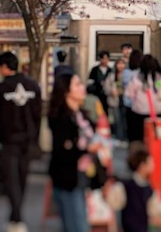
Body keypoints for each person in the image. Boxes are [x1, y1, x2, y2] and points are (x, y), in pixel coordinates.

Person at [0, 51, 42, 232]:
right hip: (28, 140)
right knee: (22, 178)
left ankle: (17, 218)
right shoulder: (33, 86)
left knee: (11, 180)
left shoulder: (1, 89)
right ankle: (15, 217)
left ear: (4, 67)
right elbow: (38, 114)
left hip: (9, 140)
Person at [48, 73, 100, 232]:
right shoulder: (61, 118)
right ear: (66, 91)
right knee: (77, 225)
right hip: (68, 176)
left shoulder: (81, 115)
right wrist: (85, 149)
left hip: (83, 175)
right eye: (77, 85)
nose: (82, 88)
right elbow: (63, 149)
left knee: (78, 222)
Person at [105, 144, 161, 232]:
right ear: (142, 166)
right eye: (150, 162)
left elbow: (114, 202)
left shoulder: (127, 185)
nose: (153, 165)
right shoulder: (142, 188)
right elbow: (155, 210)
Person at [124, 55, 161, 147]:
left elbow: (129, 94)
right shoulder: (159, 79)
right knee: (154, 138)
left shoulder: (136, 78)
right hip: (156, 112)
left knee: (139, 138)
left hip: (139, 112)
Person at [121, 50, 142, 143]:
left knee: (131, 131)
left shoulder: (125, 73)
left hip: (128, 103)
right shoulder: (142, 74)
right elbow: (159, 85)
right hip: (141, 105)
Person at [110, 58, 127, 141]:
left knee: (124, 119)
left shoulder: (127, 75)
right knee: (117, 119)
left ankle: (124, 136)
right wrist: (111, 91)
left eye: (122, 63)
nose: (120, 66)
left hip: (125, 99)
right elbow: (107, 86)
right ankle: (118, 136)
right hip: (115, 99)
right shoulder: (112, 75)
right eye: (119, 63)